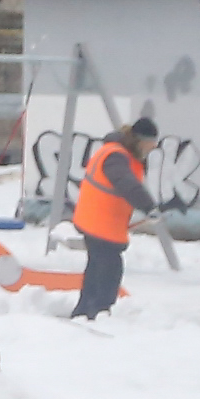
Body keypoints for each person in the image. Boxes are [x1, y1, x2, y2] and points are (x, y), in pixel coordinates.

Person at [72, 114, 158, 320]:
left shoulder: (118, 153)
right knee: (109, 270)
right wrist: (148, 206)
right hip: (100, 222)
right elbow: (126, 183)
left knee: (97, 267)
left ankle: (85, 311)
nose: (150, 151)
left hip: (99, 221)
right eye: (149, 146)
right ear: (139, 140)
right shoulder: (116, 157)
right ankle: (98, 313)